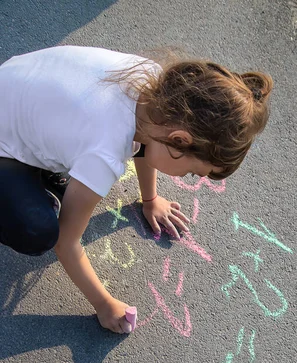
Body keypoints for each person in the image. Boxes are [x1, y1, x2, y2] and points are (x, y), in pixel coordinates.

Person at [0, 45, 273, 334]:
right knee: (38, 230)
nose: (192, 177)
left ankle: (37, 167)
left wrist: (150, 199)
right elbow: (65, 243)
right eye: (194, 172)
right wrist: (105, 305)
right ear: (179, 141)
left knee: (73, 169)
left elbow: (145, 143)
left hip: (14, 85)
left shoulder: (152, 84)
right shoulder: (104, 152)